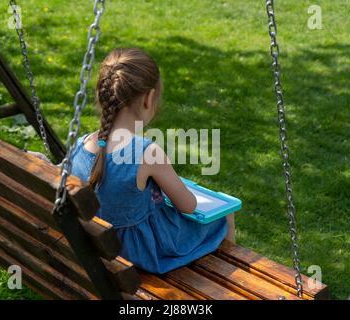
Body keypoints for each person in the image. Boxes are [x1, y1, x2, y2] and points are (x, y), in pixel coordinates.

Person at [71, 48, 234, 274]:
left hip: (100, 247)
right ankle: (226, 281)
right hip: (141, 253)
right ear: (148, 98)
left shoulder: (82, 145)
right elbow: (188, 206)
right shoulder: (147, 152)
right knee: (225, 213)